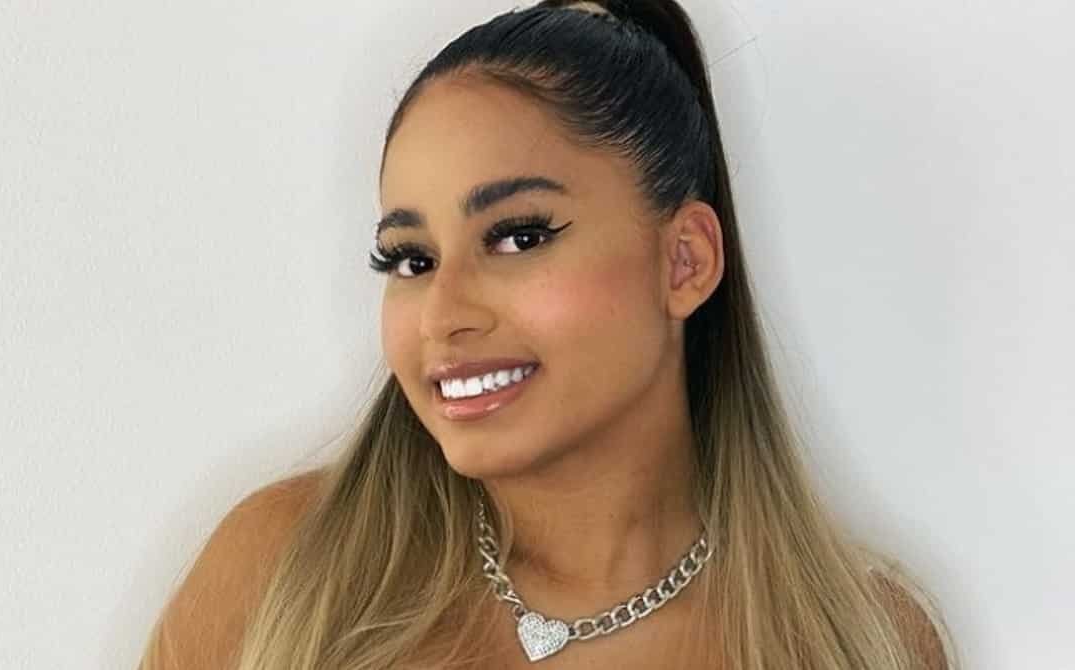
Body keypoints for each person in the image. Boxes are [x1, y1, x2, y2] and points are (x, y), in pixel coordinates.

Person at [138, 1, 957, 668]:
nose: (444, 313)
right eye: (411, 259)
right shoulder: (283, 574)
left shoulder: (860, 643)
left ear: (685, 261)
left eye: (518, 237)